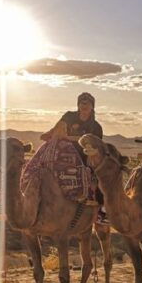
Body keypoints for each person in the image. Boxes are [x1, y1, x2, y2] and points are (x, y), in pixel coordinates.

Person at [40, 92, 107, 221]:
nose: (84, 104)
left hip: (85, 156)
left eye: (87, 102)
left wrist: (67, 138)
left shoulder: (96, 127)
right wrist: (49, 134)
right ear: (78, 105)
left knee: (99, 175)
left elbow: (92, 142)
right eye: (82, 102)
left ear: (92, 106)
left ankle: (102, 210)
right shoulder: (69, 116)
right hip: (63, 154)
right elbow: (56, 129)